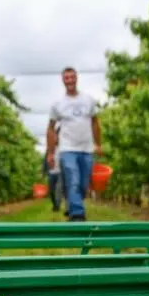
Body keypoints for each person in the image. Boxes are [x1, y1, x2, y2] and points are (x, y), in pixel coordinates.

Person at [46, 67, 101, 222]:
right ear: (63, 81)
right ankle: (77, 214)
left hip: (86, 148)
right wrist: (50, 153)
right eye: (67, 78)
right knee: (73, 179)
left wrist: (98, 144)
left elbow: (95, 122)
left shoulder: (88, 100)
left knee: (83, 183)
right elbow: (50, 128)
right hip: (67, 148)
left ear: (77, 78)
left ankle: (72, 204)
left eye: (72, 77)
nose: (70, 80)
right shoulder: (58, 104)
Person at [42, 142, 63, 212]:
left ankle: (57, 205)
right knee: (51, 190)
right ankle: (55, 204)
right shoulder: (49, 149)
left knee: (58, 189)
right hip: (51, 172)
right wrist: (43, 172)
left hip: (60, 172)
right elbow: (45, 161)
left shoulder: (62, 148)